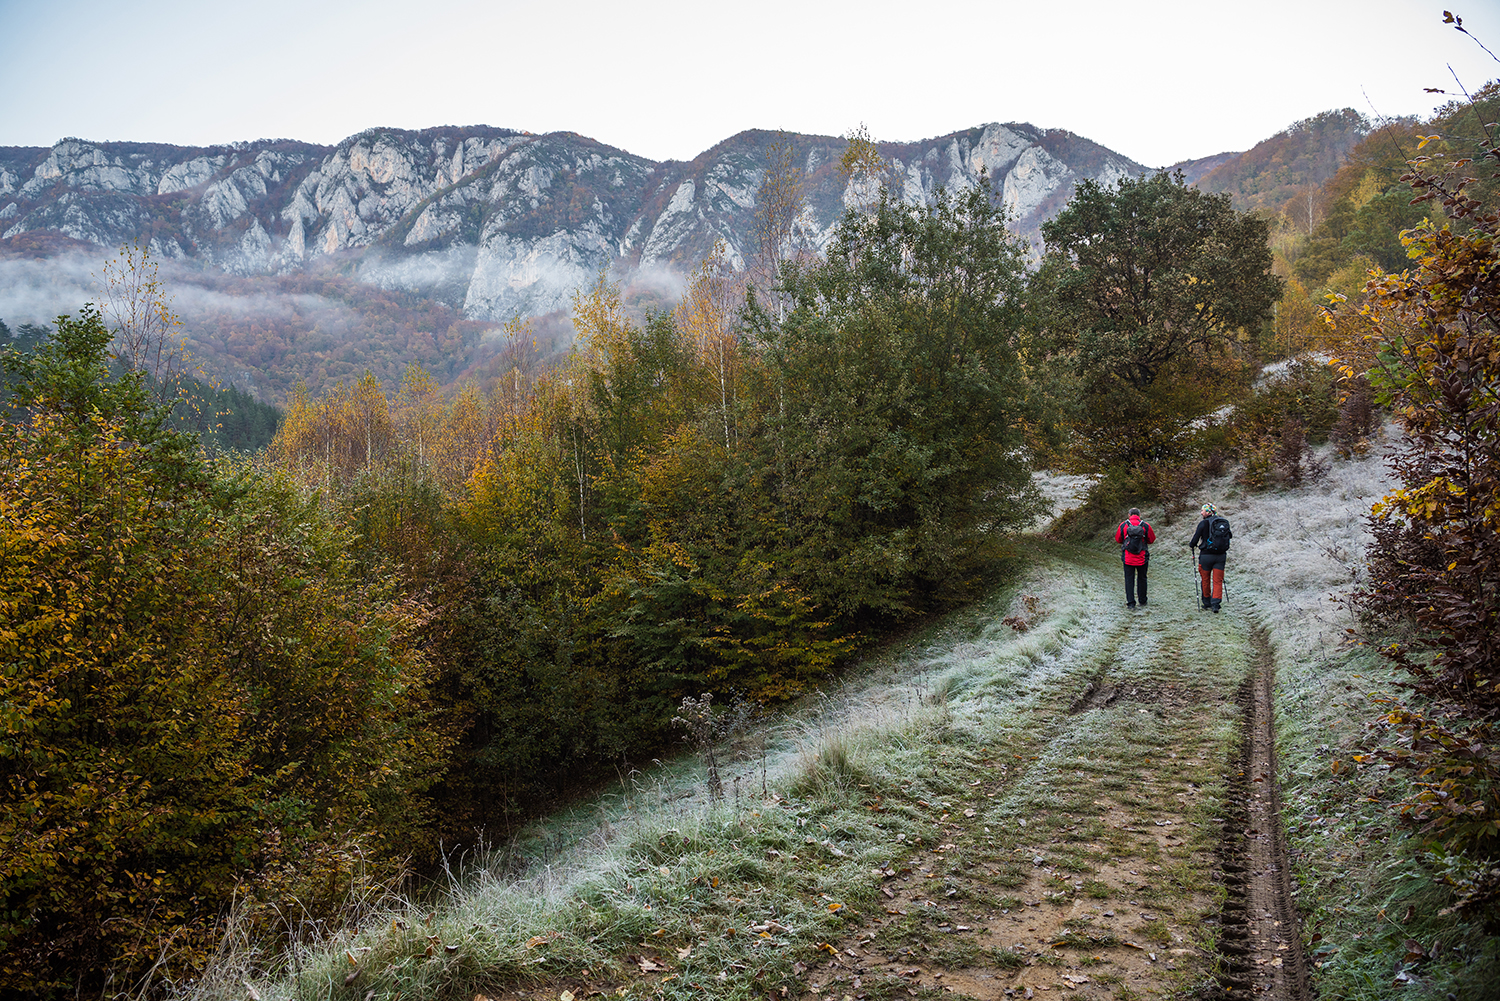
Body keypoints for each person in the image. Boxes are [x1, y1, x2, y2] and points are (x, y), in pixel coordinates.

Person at [1188, 502, 1231, 613]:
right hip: (1221, 556)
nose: (1201, 512)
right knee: (1218, 580)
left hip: (1206, 556)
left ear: (1208, 512)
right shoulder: (1222, 522)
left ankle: (1206, 602)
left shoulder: (1203, 523)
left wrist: (1191, 545)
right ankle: (1216, 604)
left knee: (1205, 579)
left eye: (1202, 510)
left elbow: (1195, 540)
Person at [1114, 507, 1156, 608]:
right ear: (1139, 515)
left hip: (1128, 557)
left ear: (1129, 515)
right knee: (1142, 578)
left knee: (1129, 579)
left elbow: (1118, 539)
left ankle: (1131, 603)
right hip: (1142, 557)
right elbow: (1151, 539)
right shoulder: (1145, 525)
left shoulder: (1123, 525)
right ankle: (1142, 600)